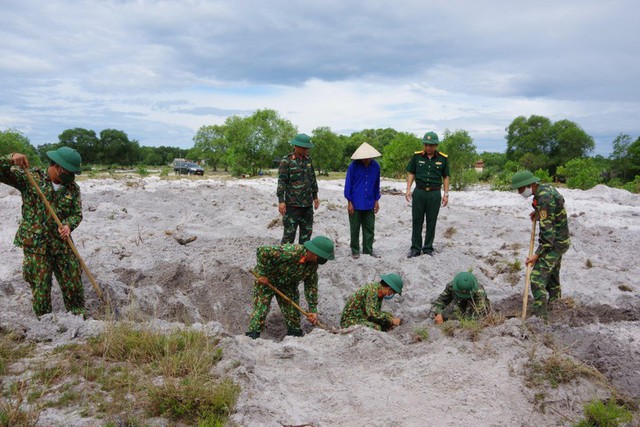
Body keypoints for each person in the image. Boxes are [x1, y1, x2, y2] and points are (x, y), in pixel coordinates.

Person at [0, 147, 85, 318]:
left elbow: (77, 214)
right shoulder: (30, 178)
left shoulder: (72, 188)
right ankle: (45, 321)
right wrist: (11, 158)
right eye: (68, 172)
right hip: (36, 244)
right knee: (41, 286)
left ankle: (77, 317)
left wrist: (68, 225)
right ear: (57, 166)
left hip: (62, 243)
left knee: (73, 282)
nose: (71, 177)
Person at [246, 235, 335, 339]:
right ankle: (252, 337)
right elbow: (262, 251)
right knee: (260, 311)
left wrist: (312, 310)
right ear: (315, 254)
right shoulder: (291, 252)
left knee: (293, 315)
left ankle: (294, 337)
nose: (319, 260)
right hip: (267, 280)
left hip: (288, 285)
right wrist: (262, 274)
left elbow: (311, 286)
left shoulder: (312, 266)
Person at [511, 170, 570, 317]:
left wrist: (536, 255)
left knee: (537, 278)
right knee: (552, 277)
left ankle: (540, 317)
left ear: (530, 184)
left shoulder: (544, 197)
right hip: (562, 241)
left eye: (521, 189)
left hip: (554, 244)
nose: (519, 192)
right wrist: (537, 211)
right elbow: (555, 207)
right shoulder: (546, 189)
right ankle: (556, 308)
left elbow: (548, 234)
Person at [405, 131, 450, 258]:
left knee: (431, 221)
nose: (428, 147)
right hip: (419, 192)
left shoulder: (443, 158)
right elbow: (411, 173)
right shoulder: (417, 157)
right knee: (417, 220)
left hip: (434, 193)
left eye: (431, 145)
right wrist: (408, 189)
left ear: (436, 145)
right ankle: (415, 248)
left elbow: (446, 176)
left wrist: (446, 194)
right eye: (426, 145)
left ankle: (428, 248)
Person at [277, 133, 319, 244]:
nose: (306, 150)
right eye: (304, 148)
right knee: (288, 237)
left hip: (307, 205)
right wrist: (281, 201)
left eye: (307, 148)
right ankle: (285, 260)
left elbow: (312, 179)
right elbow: (282, 182)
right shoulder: (286, 161)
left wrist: (315, 197)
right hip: (292, 206)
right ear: (296, 146)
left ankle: (302, 260)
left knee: (306, 237)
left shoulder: (308, 160)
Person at [344, 142, 382, 259]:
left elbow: (376, 185)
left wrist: (376, 200)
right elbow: (348, 185)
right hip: (355, 203)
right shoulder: (353, 166)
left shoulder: (376, 167)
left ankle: (368, 250)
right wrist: (349, 202)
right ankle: (355, 250)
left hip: (370, 202)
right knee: (355, 228)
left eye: (368, 157)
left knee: (369, 228)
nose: (366, 159)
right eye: (364, 157)